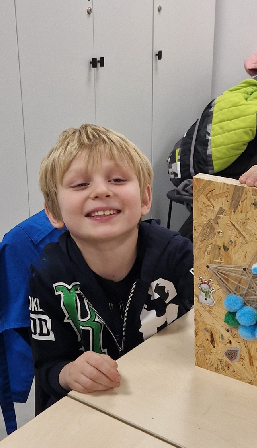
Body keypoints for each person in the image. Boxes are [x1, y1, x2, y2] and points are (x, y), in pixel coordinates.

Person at [29, 124, 195, 409]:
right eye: (80, 184)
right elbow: (47, 366)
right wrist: (69, 373)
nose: (101, 191)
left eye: (117, 180)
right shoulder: (47, 275)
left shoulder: (175, 253)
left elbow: (233, 301)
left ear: (145, 199)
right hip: (95, 410)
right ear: (54, 211)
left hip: (167, 400)